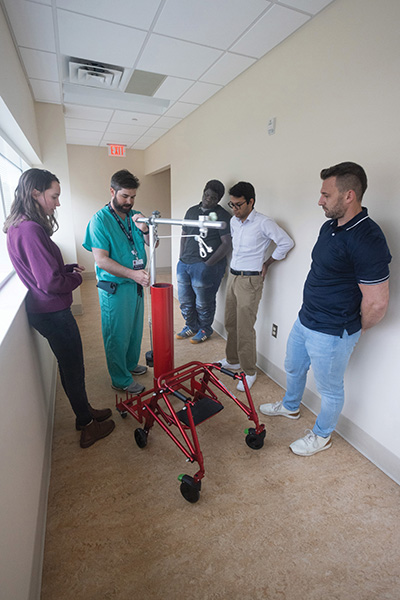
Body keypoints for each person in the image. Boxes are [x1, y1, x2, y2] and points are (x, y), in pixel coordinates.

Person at [260, 162, 391, 456]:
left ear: (349, 196)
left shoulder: (368, 238)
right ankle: (291, 406)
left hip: (333, 331)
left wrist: (353, 331)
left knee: (329, 389)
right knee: (293, 366)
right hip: (306, 318)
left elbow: (377, 302)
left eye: (325, 195)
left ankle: (321, 436)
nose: (319, 200)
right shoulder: (329, 226)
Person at [4, 168, 115, 448]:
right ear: (35, 193)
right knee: (73, 369)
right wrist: (76, 278)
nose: (57, 203)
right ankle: (88, 426)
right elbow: (50, 282)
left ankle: (84, 413)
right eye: (54, 196)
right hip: (52, 312)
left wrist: (64, 268)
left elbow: (40, 269)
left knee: (70, 367)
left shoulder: (20, 224)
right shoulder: (29, 229)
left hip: (45, 309)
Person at [219, 181, 294, 391]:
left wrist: (268, 262)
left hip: (250, 280)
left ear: (251, 201)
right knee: (230, 322)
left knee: (245, 328)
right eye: (231, 205)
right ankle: (232, 360)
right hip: (233, 276)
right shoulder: (234, 222)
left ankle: (249, 371)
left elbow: (286, 242)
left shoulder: (264, 223)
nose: (234, 209)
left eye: (238, 205)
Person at [83, 169, 150, 395]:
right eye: (124, 196)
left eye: (132, 197)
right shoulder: (99, 221)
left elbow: (153, 244)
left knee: (133, 330)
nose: (129, 202)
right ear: (112, 191)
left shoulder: (136, 215)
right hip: (115, 287)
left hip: (135, 285)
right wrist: (133, 275)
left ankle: (130, 364)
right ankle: (120, 378)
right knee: (116, 333)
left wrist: (146, 229)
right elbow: (101, 260)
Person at [176, 180, 232, 344]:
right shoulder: (191, 211)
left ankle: (205, 329)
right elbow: (184, 235)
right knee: (185, 300)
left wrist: (208, 263)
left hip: (206, 266)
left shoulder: (222, 216)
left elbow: (227, 243)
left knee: (203, 302)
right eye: (206, 195)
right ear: (203, 192)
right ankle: (191, 326)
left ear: (219, 199)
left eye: (213, 198)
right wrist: (181, 258)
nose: (208, 199)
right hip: (185, 263)